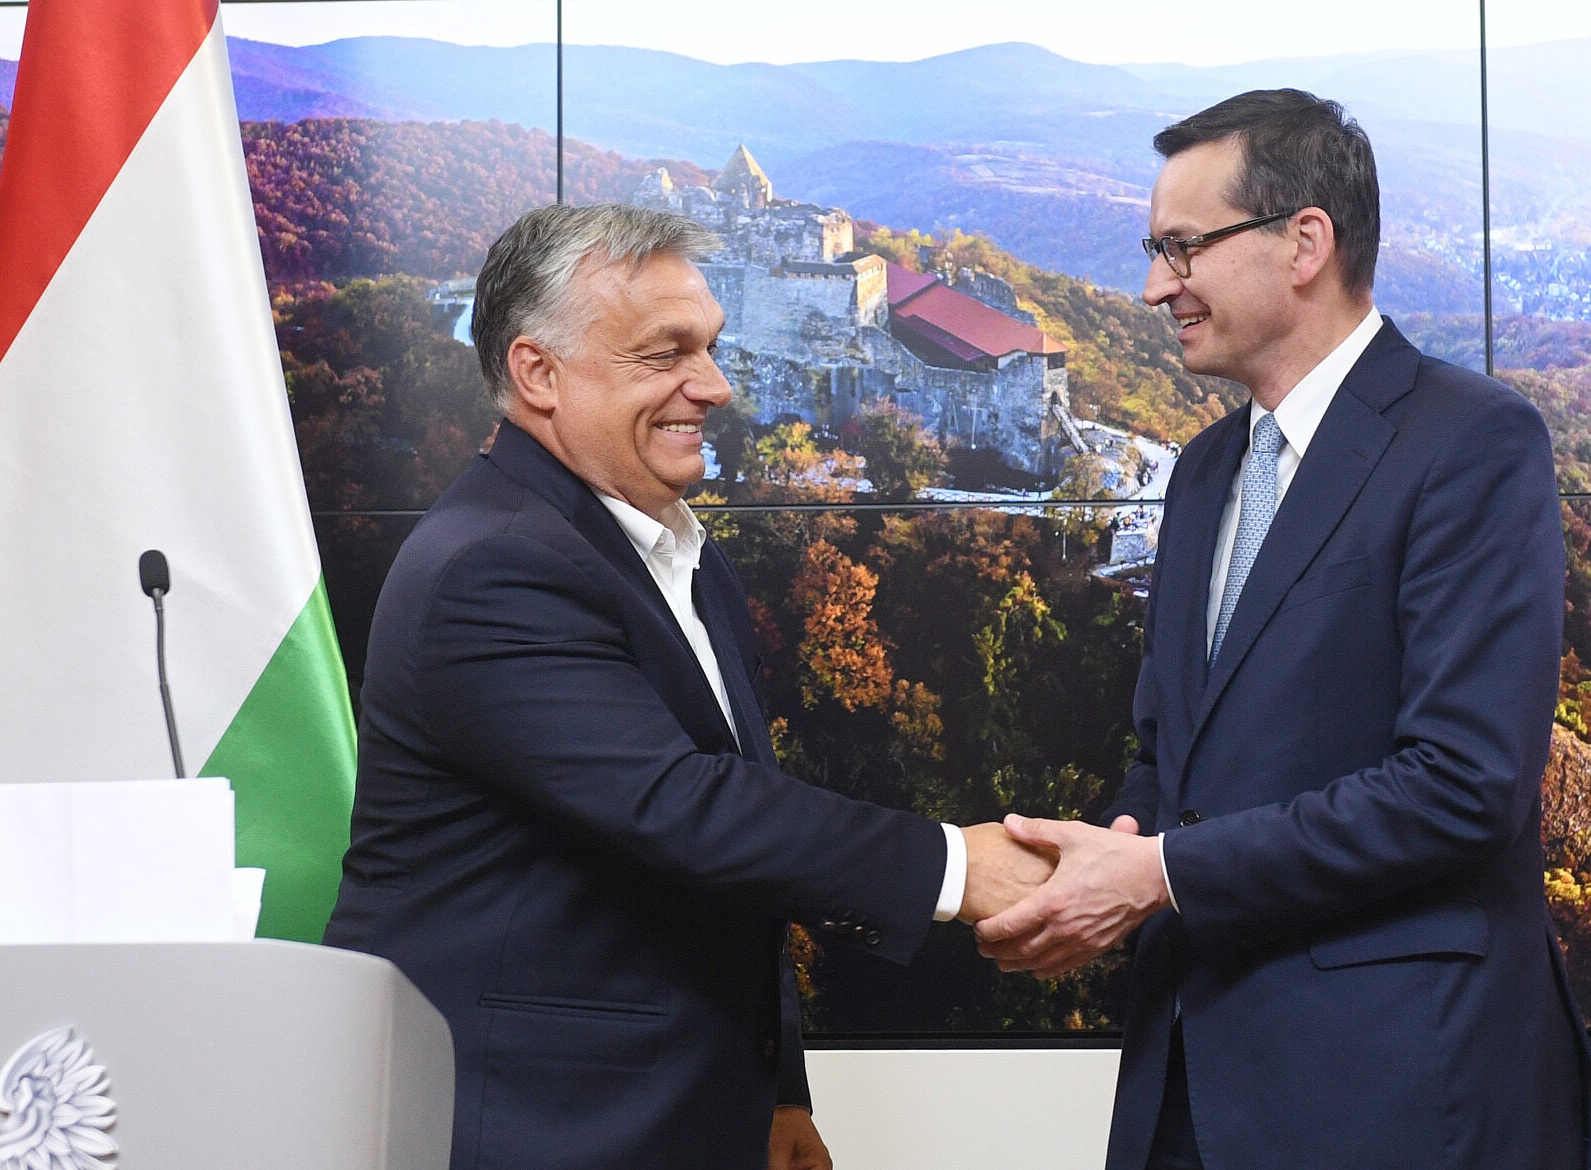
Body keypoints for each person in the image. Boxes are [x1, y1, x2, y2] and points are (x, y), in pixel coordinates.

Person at [323, 203, 1051, 1170]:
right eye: (665, 355)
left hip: (676, 1116)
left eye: (708, 349)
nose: (710, 386)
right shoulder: (492, 568)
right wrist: (959, 868)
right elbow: (683, 807)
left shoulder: (674, 552)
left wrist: (776, 1088)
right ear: (538, 373)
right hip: (532, 1129)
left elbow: (734, 853)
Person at [976, 90, 1591, 1170]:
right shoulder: (1206, 474)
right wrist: (1093, 873)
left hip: (1405, 1094)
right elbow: (1166, 760)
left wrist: (1161, 877)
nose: (1151, 287)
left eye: (1181, 249)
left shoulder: (1472, 444)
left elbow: (1462, 785)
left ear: (1303, 241)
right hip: (1187, 1087)